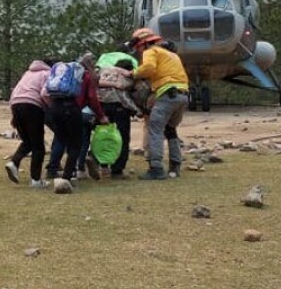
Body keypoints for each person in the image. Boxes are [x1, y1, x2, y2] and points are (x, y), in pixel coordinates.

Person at [130, 27, 189, 180]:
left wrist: (133, 73)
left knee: (155, 129)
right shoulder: (171, 54)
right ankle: (175, 166)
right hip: (183, 95)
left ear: (142, 44)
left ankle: (156, 168)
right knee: (171, 130)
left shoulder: (151, 52)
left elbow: (149, 68)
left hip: (167, 94)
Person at [42, 54, 107, 185]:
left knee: (60, 139)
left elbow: (45, 92)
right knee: (75, 144)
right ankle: (68, 175)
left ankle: (52, 169)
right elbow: (92, 99)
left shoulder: (61, 74)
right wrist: (101, 115)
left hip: (55, 107)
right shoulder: (85, 76)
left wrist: (51, 107)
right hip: (72, 109)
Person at [89, 48, 140, 179]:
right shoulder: (126, 75)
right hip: (119, 107)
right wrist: (136, 110)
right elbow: (126, 94)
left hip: (101, 107)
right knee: (122, 137)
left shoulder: (103, 71)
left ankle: (101, 163)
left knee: (102, 135)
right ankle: (117, 170)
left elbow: (94, 83)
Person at [4, 60, 51, 188]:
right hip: (32, 105)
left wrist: (14, 114)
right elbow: (45, 93)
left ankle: (14, 163)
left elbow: (14, 92)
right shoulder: (47, 73)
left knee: (28, 141)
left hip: (16, 104)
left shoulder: (27, 73)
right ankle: (36, 181)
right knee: (38, 146)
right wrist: (49, 106)